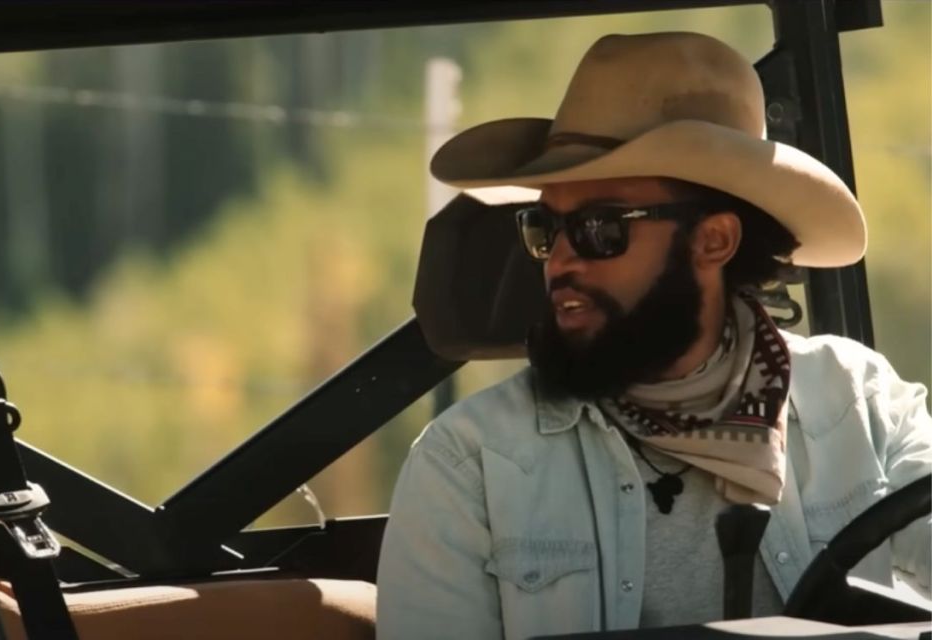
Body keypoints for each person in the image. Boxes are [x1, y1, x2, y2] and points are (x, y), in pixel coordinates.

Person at [375, 31, 932, 638]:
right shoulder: (470, 463)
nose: (559, 260)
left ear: (713, 241)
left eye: (599, 228)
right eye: (545, 228)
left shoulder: (860, 403)